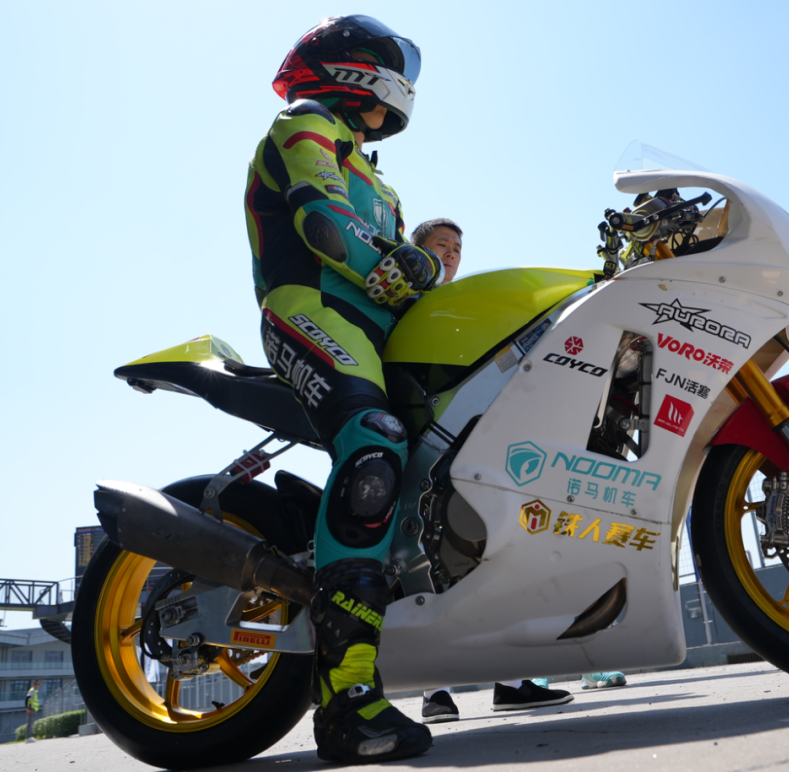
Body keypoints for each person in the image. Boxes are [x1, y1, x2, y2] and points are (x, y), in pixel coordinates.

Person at [245, 16, 442, 763]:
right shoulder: (305, 122)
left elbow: (406, 273)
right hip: (310, 310)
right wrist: (402, 264)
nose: (402, 86)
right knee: (375, 446)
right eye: (391, 69)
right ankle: (346, 699)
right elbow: (324, 224)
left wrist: (424, 270)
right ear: (353, 68)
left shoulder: (380, 178)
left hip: (380, 334)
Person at [407, 220, 575, 723]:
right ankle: (435, 691)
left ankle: (513, 681)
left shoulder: (466, 303)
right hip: (423, 446)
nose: (451, 254)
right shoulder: (407, 302)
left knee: (493, 549)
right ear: (416, 252)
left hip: (475, 443)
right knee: (426, 558)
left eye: (457, 248)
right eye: (441, 245)